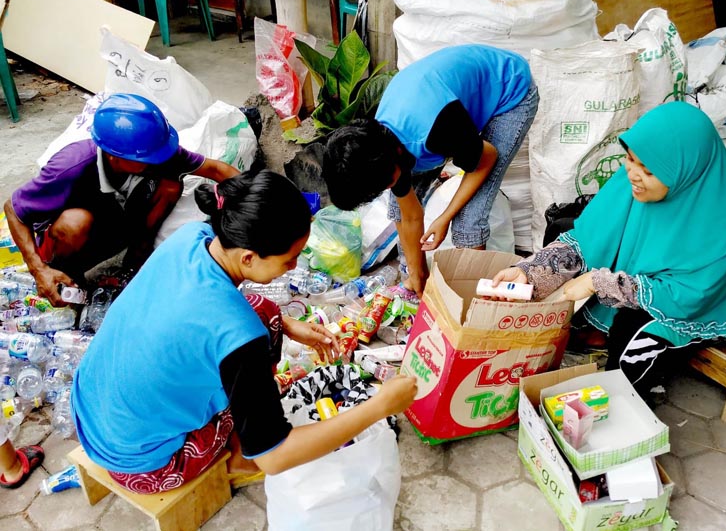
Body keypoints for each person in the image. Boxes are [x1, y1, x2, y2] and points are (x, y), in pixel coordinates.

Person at [70, 170, 417, 493]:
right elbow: (275, 457)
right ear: (249, 258)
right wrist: (380, 405)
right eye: (289, 259)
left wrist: (289, 325)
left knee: (266, 311)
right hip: (141, 464)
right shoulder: (240, 335)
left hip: (92, 408)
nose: (295, 267)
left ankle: (249, 417)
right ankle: (239, 454)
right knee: (257, 349)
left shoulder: (193, 236)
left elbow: (211, 313)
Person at [492, 102, 726, 402]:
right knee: (563, 230)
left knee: (634, 333)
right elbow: (585, 241)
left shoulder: (724, 217)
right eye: (630, 159)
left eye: (648, 171)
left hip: (696, 304)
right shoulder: (631, 185)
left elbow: (689, 296)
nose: (633, 174)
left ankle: (627, 399)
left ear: (685, 173)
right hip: (643, 279)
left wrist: (598, 283)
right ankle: (597, 330)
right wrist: (528, 271)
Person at [322, 44, 538, 296]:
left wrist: (444, 218)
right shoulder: (377, 144)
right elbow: (410, 215)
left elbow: (487, 157)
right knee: (397, 209)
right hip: (448, 105)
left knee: (468, 221)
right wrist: (418, 276)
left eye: (385, 182)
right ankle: (416, 281)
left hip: (508, 90)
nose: (389, 186)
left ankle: (472, 301)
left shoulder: (436, 130)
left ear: (395, 158)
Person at [4, 93, 240, 307]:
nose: (158, 161)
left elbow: (217, 170)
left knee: (170, 184)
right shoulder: (72, 165)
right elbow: (13, 209)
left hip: (117, 228)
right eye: (149, 158)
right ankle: (66, 279)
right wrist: (39, 270)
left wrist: (257, 196)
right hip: (72, 239)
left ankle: (134, 262)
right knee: (75, 221)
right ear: (113, 157)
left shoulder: (156, 154)